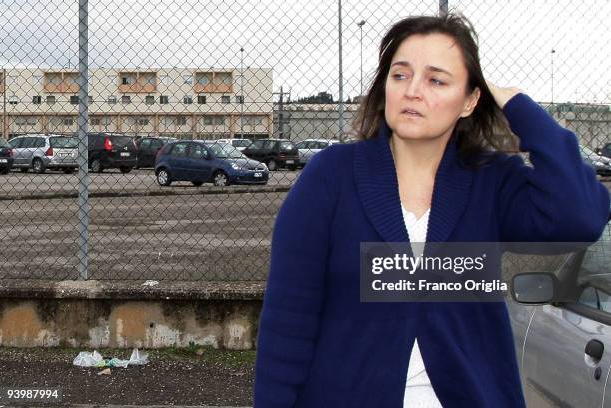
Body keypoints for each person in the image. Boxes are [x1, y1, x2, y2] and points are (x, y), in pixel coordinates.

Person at [253, 13, 610, 408]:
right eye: (400, 75)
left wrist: (517, 105)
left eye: (437, 80)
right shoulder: (331, 176)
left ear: (471, 100)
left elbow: (580, 216)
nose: (412, 91)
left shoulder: (490, 181)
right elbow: (288, 323)